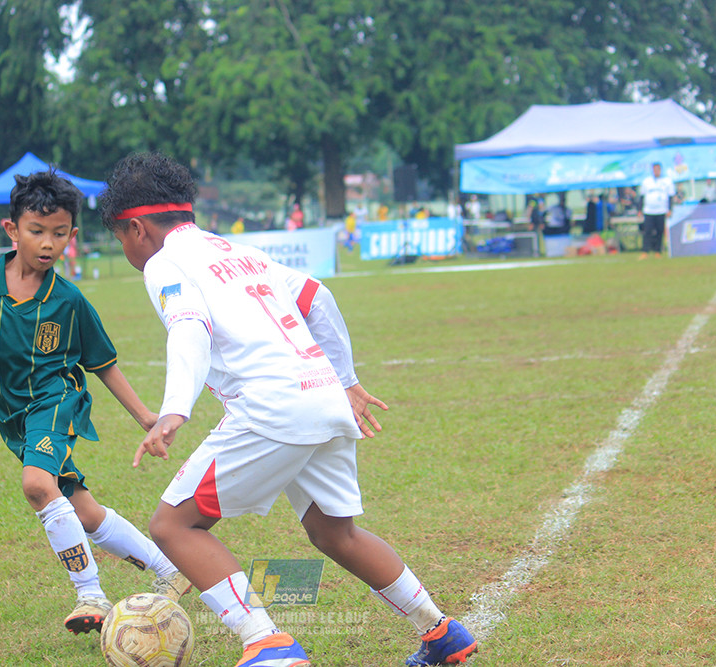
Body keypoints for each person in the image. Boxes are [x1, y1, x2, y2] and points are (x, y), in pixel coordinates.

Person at [99, 152, 477, 667]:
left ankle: (266, 641)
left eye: (119, 238)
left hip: (271, 408)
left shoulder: (165, 262)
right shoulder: (242, 251)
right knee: (334, 532)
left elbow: (189, 326)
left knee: (172, 527)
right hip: (322, 393)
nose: (125, 249)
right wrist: (346, 381)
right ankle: (440, 632)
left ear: (137, 228)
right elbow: (317, 298)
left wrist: (174, 410)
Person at [0, 171, 189, 636]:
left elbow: (103, 363)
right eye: (36, 231)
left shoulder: (68, 301)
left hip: (56, 403)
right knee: (85, 512)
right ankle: (170, 569)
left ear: (71, 237)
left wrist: (144, 416)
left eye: (59, 234)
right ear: (12, 230)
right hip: (15, 421)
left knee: (37, 484)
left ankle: (90, 593)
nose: (47, 243)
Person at [638, 162, 676, 259]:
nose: (656, 171)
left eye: (658, 169)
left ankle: (658, 251)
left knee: (660, 231)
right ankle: (645, 251)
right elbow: (642, 196)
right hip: (648, 210)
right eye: (654, 169)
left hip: (661, 210)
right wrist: (640, 209)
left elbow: (670, 196)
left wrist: (670, 209)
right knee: (647, 231)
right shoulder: (646, 181)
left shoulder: (667, 181)